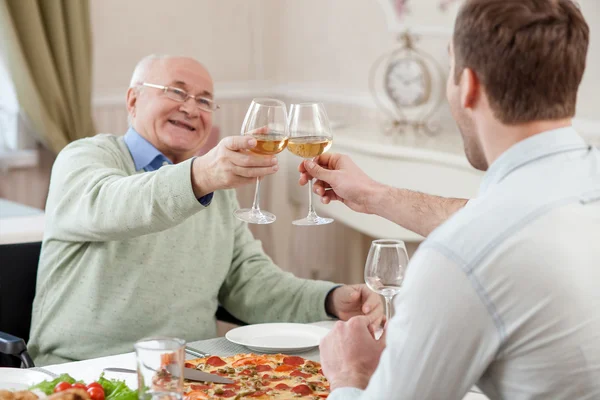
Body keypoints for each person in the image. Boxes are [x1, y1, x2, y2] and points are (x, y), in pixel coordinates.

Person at [301, 0, 600, 398]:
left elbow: (479, 242)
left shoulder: (460, 256)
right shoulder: (569, 192)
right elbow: (498, 223)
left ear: (470, 86)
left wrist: (350, 376)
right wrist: (375, 196)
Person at [27, 55, 384, 365]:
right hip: (80, 373)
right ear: (133, 100)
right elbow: (112, 204)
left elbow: (251, 284)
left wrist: (330, 299)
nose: (191, 107)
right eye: (177, 91)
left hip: (189, 372)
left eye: (204, 100)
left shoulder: (212, 189)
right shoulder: (85, 157)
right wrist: (200, 176)